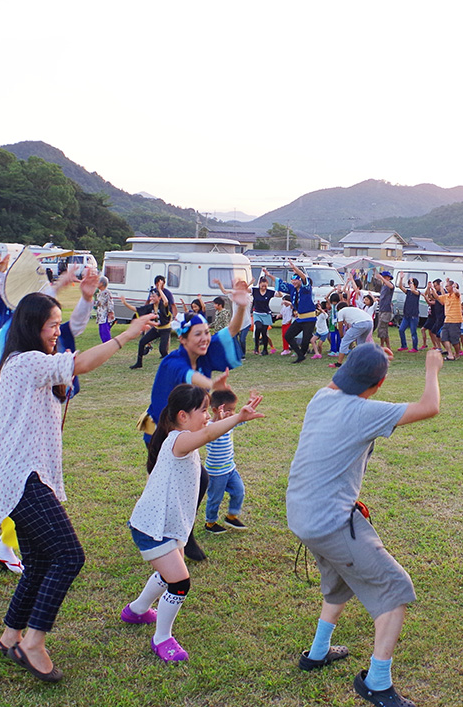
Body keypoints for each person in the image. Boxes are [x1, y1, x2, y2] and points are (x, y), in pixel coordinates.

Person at [0, 293, 155, 682]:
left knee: (41, 561)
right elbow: (79, 363)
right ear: (32, 327)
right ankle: (33, 642)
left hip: (25, 475)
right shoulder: (26, 362)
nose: (55, 333)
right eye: (50, 326)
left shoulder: (30, 362)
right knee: (68, 556)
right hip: (22, 476)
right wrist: (126, 335)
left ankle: (11, 635)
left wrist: (81, 299)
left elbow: (71, 338)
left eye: (56, 326)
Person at [289, 346, 444, 707]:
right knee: (394, 588)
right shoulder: (365, 411)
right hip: (330, 521)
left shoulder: (320, 398)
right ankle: (376, 683)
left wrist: (367, 358)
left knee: (340, 579)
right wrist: (432, 367)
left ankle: (317, 652)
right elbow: (430, 407)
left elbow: (342, 380)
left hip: (301, 514)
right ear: (380, 383)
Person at [124, 384, 265, 661]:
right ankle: (161, 638)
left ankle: (136, 610)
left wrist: (229, 417)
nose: (207, 416)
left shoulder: (181, 436)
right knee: (179, 581)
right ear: (182, 416)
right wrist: (238, 417)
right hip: (153, 527)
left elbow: (212, 430)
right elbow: (210, 432)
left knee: (170, 575)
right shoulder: (178, 440)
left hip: (166, 524)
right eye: (203, 410)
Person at [143, 280, 251, 562]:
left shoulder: (204, 351)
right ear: (182, 339)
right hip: (157, 433)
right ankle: (171, 534)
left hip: (182, 432)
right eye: (198, 335)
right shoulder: (173, 362)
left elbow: (232, 331)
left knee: (193, 480)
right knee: (179, 482)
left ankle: (179, 533)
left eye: (206, 333)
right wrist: (213, 383)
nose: (205, 339)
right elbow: (190, 379)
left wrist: (240, 305)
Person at [201, 388, 252, 534]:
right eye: (228, 410)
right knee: (215, 499)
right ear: (216, 409)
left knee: (239, 491)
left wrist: (248, 407)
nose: (232, 413)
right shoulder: (209, 427)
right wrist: (219, 420)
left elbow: (241, 419)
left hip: (230, 469)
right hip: (216, 473)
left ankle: (231, 516)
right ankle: (210, 523)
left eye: (233, 410)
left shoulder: (229, 423)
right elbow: (210, 432)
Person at [275, 262, 319, 363]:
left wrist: (295, 268)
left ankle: (301, 355)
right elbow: (280, 283)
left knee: (305, 340)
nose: (294, 282)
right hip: (300, 318)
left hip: (310, 318)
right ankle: (300, 355)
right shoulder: (292, 290)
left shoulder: (306, 289)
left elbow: (304, 278)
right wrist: (269, 275)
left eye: (296, 280)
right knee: (288, 335)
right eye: (292, 280)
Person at [132, 275, 174, 369]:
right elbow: (144, 306)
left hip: (165, 328)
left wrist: (160, 290)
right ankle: (139, 363)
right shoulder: (152, 298)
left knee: (163, 350)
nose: (152, 297)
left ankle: (170, 363)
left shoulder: (165, 297)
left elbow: (167, 302)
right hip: (156, 328)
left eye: (154, 296)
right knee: (142, 341)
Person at [334, 301, 374, 367]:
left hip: (360, 323)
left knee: (345, 341)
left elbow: (340, 324)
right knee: (361, 343)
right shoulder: (353, 309)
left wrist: (341, 335)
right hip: (370, 322)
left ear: (339, 309)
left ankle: (339, 363)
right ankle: (364, 361)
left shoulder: (341, 311)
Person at [251, 275, 275, 355]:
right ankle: (256, 346)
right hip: (257, 313)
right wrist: (250, 283)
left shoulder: (269, 292)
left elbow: (280, 294)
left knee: (264, 332)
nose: (264, 287)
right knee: (258, 327)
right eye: (262, 285)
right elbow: (244, 289)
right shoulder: (255, 291)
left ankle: (265, 349)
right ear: (259, 284)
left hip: (266, 314)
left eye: (265, 285)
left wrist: (277, 285)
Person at [398, 278, 421, 352]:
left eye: (411, 284)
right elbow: (400, 287)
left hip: (414, 316)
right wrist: (401, 278)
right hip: (406, 315)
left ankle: (415, 348)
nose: (410, 285)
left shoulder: (417, 292)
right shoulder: (408, 292)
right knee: (401, 330)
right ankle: (404, 345)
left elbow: (413, 290)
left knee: (413, 332)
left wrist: (411, 281)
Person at [375, 271, 395, 351]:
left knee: (382, 328)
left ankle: (382, 345)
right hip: (382, 308)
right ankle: (387, 346)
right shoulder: (383, 286)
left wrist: (382, 278)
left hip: (386, 310)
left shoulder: (389, 285)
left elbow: (391, 286)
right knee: (384, 329)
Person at [93, 276, 117, 343]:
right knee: (101, 332)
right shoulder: (100, 293)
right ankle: (104, 344)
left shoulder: (106, 293)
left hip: (105, 315)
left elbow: (109, 303)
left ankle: (108, 345)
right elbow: (98, 303)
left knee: (105, 331)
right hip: (100, 316)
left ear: (101, 283)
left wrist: (111, 312)